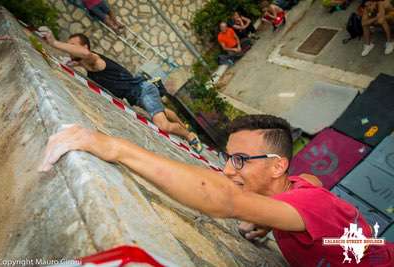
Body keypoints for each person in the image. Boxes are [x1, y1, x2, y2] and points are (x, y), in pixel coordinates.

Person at [39, 114, 394, 266]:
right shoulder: (297, 193)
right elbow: (314, 183)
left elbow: (225, 199)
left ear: (277, 165)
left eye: (240, 160)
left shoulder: (308, 202)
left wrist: (112, 147)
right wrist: (272, 221)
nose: (227, 170)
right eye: (228, 158)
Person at [40, 31, 203, 153]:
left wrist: (54, 43)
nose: (71, 49)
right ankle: (185, 127)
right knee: (164, 111)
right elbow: (81, 60)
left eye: (74, 46)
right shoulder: (86, 65)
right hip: (138, 96)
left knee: (163, 125)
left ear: (84, 47)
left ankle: (189, 136)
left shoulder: (94, 60)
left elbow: (86, 55)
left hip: (143, 91)